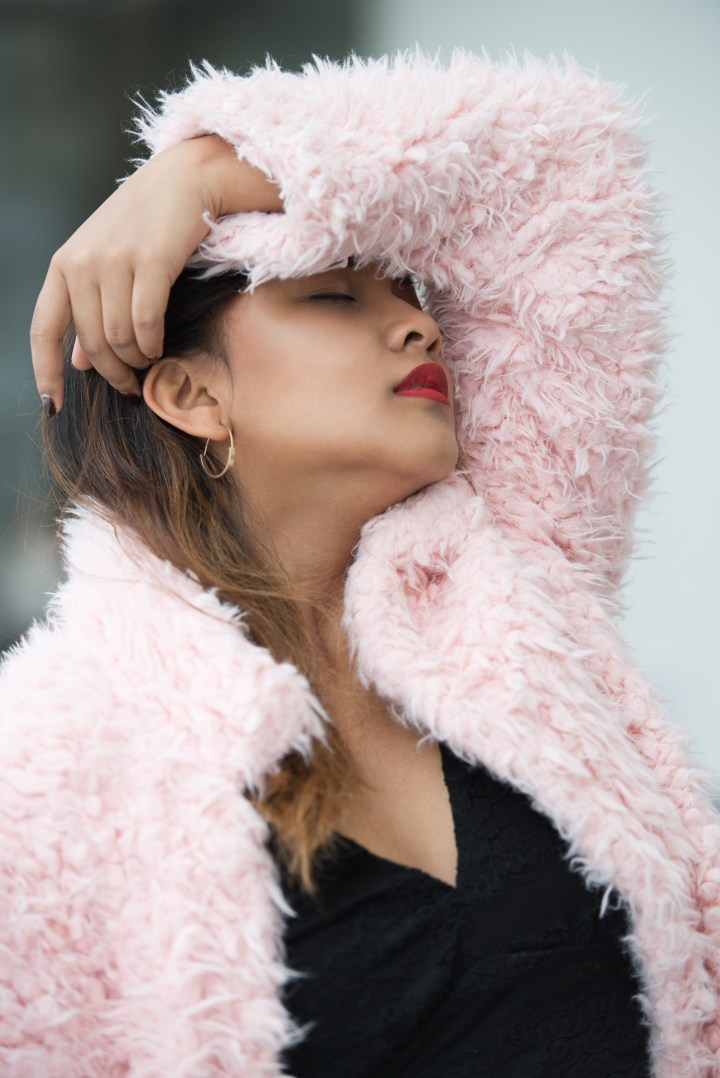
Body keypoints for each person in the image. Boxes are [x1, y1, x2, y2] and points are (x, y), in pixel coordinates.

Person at [2, 47, 719, 1077]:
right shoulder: (50, 760)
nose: (418, 324)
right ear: (192, 395)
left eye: (406, 290)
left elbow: (572, 160)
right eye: (336, 298)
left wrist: (204, 169)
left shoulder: (511, 589)